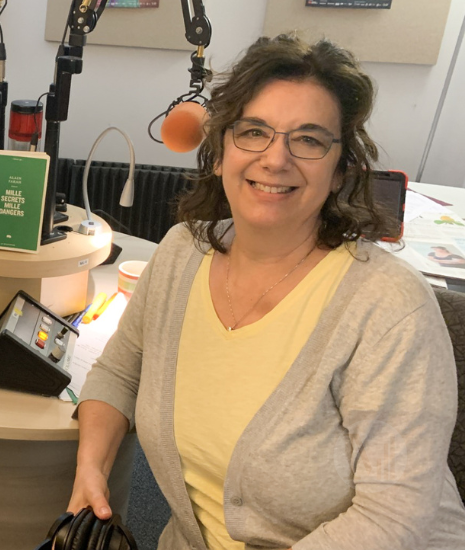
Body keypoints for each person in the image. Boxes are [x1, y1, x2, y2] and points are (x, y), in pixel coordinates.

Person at [69, 35, 465, 550]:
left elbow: (394, 518)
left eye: (308, 139)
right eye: (254, 131)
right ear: (219, 152)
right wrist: (89, 470)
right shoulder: (179, 254)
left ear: (340, 168)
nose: (276, 159)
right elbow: (120, 371)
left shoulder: (389, 307)